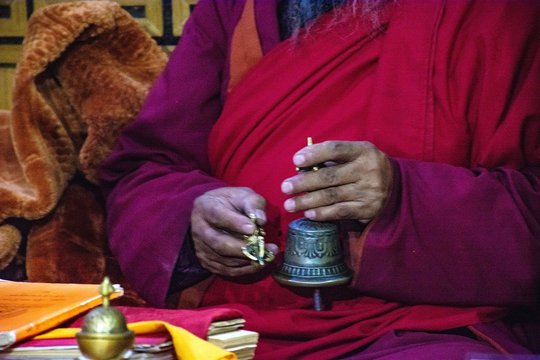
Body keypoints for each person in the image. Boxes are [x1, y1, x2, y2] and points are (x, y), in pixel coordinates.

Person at [99, 0, 540, 358]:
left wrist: (403, 196)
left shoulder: (506, 13)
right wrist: (193, 218)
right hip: (235, 324)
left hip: (425, 328)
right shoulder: (236, 9)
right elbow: (144, 170)